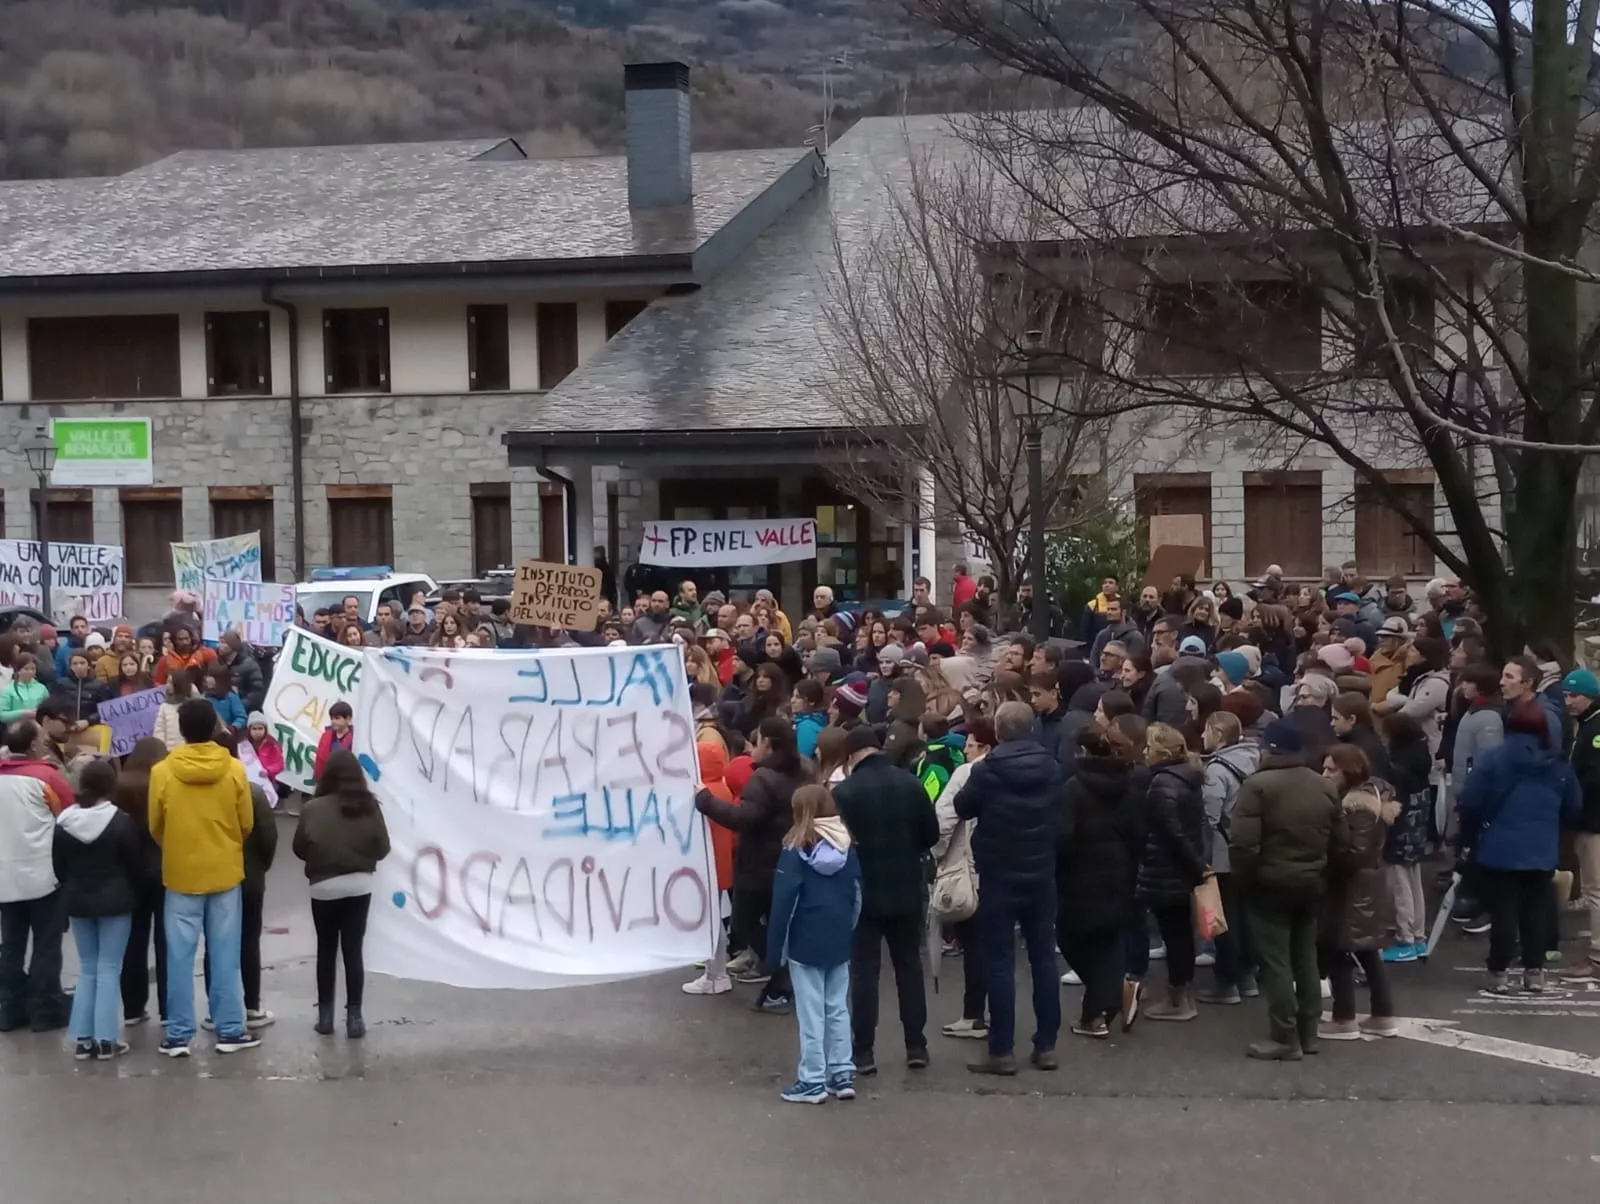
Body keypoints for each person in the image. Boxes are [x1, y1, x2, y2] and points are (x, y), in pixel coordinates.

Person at [954, 700, 1061, 1075]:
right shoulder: (1052, 767)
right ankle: (1046, 1045)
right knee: (1043, 957)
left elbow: (962, 807)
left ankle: (1001, 1050)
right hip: (1041, 869)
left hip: (999, 870)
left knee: (999, 961)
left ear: (998, 732)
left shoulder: (987, 770)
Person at [149, 697, 259, 1057]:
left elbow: (156, 825)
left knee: (178, 957)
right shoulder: (234, 769)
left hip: (181, 871)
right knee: (225, 954)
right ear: (214, 726)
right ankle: (229, 1028)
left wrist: (178, 845)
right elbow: (246, 823)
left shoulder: (162, 771)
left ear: (180, 730)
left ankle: (179, 1033)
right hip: (225, 869)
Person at [1229, 720, 1341, 1060]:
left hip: (1270, 884)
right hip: (1311, 882)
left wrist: (1243, 881)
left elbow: (1244, 845)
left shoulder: (1258, 786)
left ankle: (1284, 1036)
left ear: (1270, 747)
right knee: (1305, 957)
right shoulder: (1324, 786)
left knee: (1275, 961)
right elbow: (1341, 842)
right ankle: (1309, 1034)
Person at [832, 725, 939, 1074]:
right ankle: (916, 1045)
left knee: (865, 972)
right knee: (909, 966)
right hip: (907, 888)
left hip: (863, 892)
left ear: (851, 756)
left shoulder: (845, 792)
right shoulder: (910, 783)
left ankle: (863, 1051)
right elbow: (931, 834)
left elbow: (839, 845)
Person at [1458, 697, 1581, 995]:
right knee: (1536, 911)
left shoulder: (1493, 758)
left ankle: (1498, 973)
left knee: (1503, 912)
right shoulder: (1558, 764)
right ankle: (1534, 972)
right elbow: (1573, 806)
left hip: (1498, 848)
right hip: (1541, 848)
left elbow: (1470, 801)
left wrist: (1470, 837)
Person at [695, 718, 807, 1015]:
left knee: (743, 926)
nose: (749, 748)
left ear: (767, 743)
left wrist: (704, 801)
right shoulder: (805, 771)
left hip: (758, 864)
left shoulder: (763, 779)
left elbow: (743, 818)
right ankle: (781, 981)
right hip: (789, 860)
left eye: (754, 742)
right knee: (778, 924)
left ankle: (781, 981)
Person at [765, 783, 861, 1104]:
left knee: (810, 1012)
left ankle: (812, 1079)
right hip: (838, 937)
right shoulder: (847, 847)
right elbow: (857, 896)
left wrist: (775, 949)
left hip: (805, 939)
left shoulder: (794, 851)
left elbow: (783, 905)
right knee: (837, 1007)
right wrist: (848, 929)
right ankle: (842, 1073)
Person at [293, 749, 390, 1038]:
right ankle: (355, 1018)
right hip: (359, 884)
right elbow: (383, 848)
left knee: (326, 950)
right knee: (352, 950)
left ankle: (325, 1018)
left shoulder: (313, 808)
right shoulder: (370, 806)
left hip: (323, 887)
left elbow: (298, 848)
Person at [52, 759, 143, 1060]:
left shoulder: (65, 822)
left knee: (88, 968)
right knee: (108, 969)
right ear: (111, 785)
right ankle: (107, 1038)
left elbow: (59, 867)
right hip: (115, 902)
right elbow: (134, 866)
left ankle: (83, 1039)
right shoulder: (121, 821)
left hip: (78, 901)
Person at [1057, 725, 1143, 1038]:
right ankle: (1110, 998)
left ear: (1083, 751)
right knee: (1108, 940)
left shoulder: (1074, 788)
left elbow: (1064, 837)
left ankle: (1099, 1011)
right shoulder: (1130, 786)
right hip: (1120, 872)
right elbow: (1138, 834)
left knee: (1070, 939)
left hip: (1080, 875)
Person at [1318, 744, 1400, 1040]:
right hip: (1366, 884)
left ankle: (1344, 1018)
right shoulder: (1372, 798)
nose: (1324, 774)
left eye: (1331, 769)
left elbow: (1356, 852)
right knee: (1366, 950)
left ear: (1348, 770)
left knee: (1338, 948)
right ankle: (1382, 1014)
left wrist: (1327, 854)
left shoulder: (1357, 806)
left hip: (1351, 887)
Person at [1136, 722, 1209, 1021]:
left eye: (1148, 747)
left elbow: (1172, 831)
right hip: (1181, 866)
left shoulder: (1162, 784)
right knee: (1180, 933)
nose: (1143, 752)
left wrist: (1195, 865)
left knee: (1175, 933)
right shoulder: (1187, 778)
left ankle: (1178, 997)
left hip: (1167, 868)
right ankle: (1181, 991)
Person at [0, 723, 70, 1034]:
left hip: (4, 877)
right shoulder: (46, 777)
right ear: (31, 746)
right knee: (46, 945)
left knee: (12, 945)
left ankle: (9, 1009)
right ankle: (45, 1010)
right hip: (42, 875)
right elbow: (68, 814)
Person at [933, 716, 992, 1041]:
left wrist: (938, 855)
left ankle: (973, 1015)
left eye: (969, 744)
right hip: (1010, 868)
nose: (966, 750)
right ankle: (999, 1013)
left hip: (969, 867)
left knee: (975, 945)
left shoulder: (967, 774)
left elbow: (945, 817)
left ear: (984, 745)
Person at [1198, 711, 1260, 1004]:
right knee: (1246, 916)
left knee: (1222, 920)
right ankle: (1248, 977)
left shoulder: (1216, 770)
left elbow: (1209, 816)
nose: (1202, 737)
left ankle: (1227, 982)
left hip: (1222, 852)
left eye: (1206, 731)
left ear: (1218, 735)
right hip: (1248, 849)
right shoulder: (1255, 760)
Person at [114, 738, 168, 1026]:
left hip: (129, 873)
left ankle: (133, 1008)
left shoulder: (119, 785)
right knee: (166, 941)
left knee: (133, 942)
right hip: (162, 869)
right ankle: (168, 1009)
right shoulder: (163, 783)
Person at [683, 737, 738, 997]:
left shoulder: (704, 794)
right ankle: (716, 973)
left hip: (708, 867)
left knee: (712, 924)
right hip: (720, 864)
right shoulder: (722, 788)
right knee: (716, 921)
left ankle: (715, 975)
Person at [1561, 667, 1600, 980]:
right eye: (1565, 694)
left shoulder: (1594, 729)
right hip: (1589, 819)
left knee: (1596, 890)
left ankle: (1598, 956)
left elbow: (1593, 778)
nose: (1568, 701)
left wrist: (1573, 800)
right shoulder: (1586, 724)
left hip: (1594, 821)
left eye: (1575, 695)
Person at [152, 668, 202, 751]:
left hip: (190, 750)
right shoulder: (164, 706)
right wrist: (162, 750)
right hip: (170, 752)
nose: (168, 685)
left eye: (171, 683)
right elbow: (159, 730)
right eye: (167, 682)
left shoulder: (193, 706)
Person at [216, 632, 266, 714]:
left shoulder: (249, 665)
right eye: (220, 642)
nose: (219, 646)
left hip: (242, 712)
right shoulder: (216, 663)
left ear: (233, 645)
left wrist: (237, 706)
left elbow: (256, 693)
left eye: (223, 642)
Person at [152, 625, 217, 687]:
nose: (184, 642)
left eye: (187, 639)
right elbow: (158, 684)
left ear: (191, 639)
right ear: (174, 641)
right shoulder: (164, 660)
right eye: (180, 639)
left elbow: (218, 674)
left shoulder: (206, 653)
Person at [314, 700, 355, 783]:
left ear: (348, 719)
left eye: (337, 718)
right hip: (325, 782)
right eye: (332, 718)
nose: (333, 721)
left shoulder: (355, 741)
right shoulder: (325, 736)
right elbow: (319, 760)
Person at [0, 652, 48, 723]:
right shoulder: (8, 690)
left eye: (33, 669)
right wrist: (23, 713)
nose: (30, 672)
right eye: (26, 669)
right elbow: (2, 715)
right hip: (16, 730)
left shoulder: (42, 688)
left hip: (38, 728)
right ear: (18, 670)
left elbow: (48, 709)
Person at [243, 713, 286, 787]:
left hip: (268, 782)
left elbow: (279, 764)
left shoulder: (272, 744)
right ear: (249, 730)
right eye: (254, 729)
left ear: (265, 729)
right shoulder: (244, 745)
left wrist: (268, 771)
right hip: (249, 781)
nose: (257, 732)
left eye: (260, 728)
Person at [203, 665, 248, 731]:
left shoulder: (231, 697)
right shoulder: (204, 698)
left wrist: (233, 727)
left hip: (225, 734)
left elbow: (242, 718)